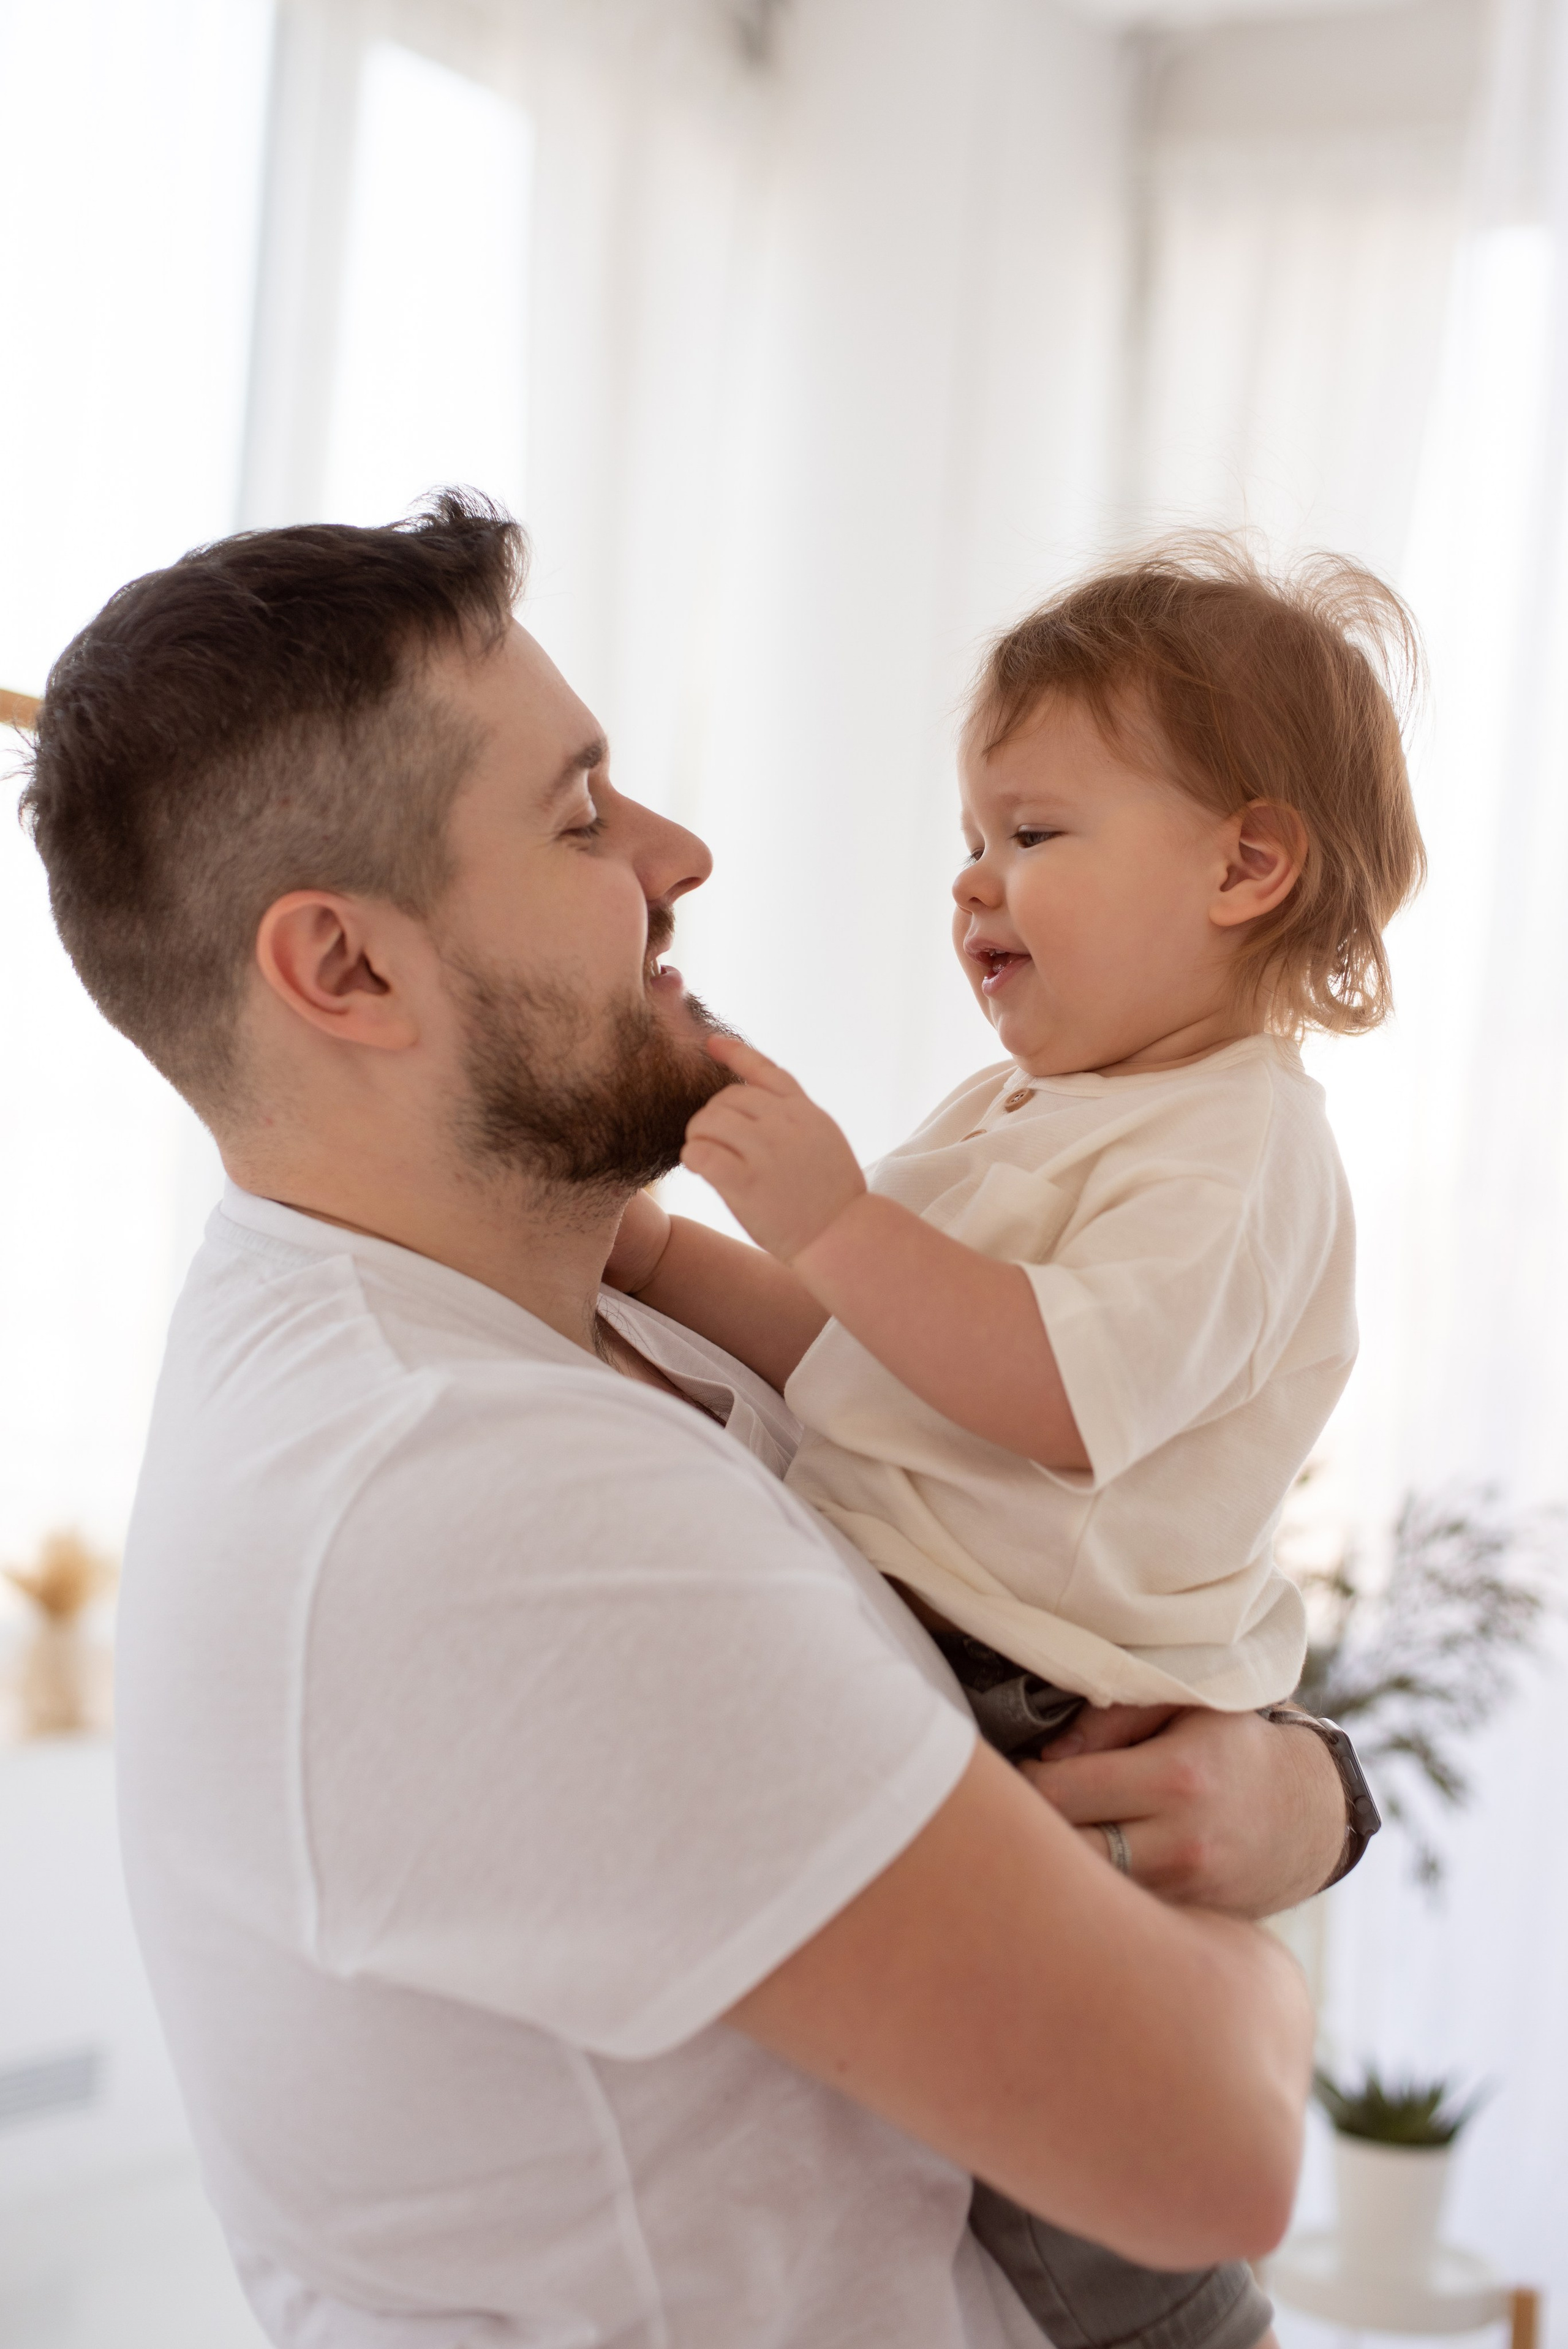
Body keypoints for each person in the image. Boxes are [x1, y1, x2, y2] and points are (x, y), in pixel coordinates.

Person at [23, 494, 1354, 2349]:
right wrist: (1279, 1833)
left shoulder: (545, 1306)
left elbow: (935, 1424)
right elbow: (1212, 2151)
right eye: (582, 816)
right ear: (345, 968)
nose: (682, 850)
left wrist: (1297, 1783)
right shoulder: (481, 1501)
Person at [606, 542, 1416, 2344]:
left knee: (1076, 2191)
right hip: (950, 1643)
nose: (974, 884)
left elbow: (1047, 1397)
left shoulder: (1238, 1147)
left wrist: (824, 1213)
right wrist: (652, 1245)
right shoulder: (1025, 1107)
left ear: (1248, 863)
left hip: (1043, 1691)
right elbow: (878, 1362)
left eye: (1035, 835)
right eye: (970, 839)